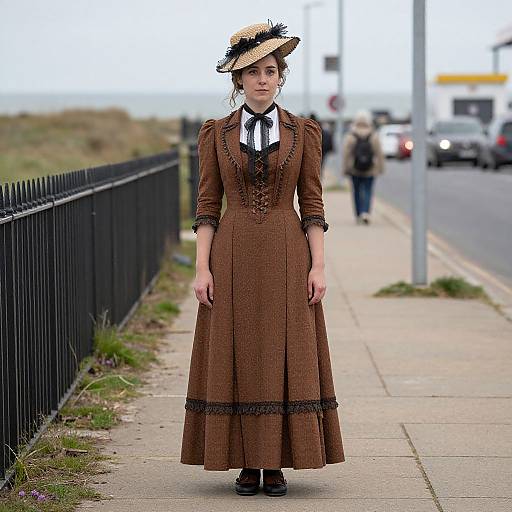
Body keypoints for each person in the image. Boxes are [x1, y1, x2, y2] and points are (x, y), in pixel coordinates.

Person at [180, 20, 345, 497]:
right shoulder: (215, 133)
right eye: (252, 71)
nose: (262, 79)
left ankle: (274, 465)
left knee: (282, 351)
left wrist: (318, 265)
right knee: (235, 352)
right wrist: (201, 268)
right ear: (238, 80)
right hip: (230, 254)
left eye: (270, 70)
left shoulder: (304, 132)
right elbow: (207, 207)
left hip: (287, 253)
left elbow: (312, 205)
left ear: (281, 76)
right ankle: (244, 464)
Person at [342, 110, 385, 224]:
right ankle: (365, 212)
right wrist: (380, 168)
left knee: (356, 191)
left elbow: (346, 154)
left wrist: (345, 168)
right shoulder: (373, 135)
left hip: (354, 168)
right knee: (368, 190)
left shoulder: (351, 135)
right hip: (370, 168)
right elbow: (379, 153)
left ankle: (358, 214)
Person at [309, 112, 334, 177]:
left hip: (311, 151)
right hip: (322, 150)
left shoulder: (308, 127)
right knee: (320, 166)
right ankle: (318, 177)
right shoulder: (319, 126)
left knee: (311, 166)